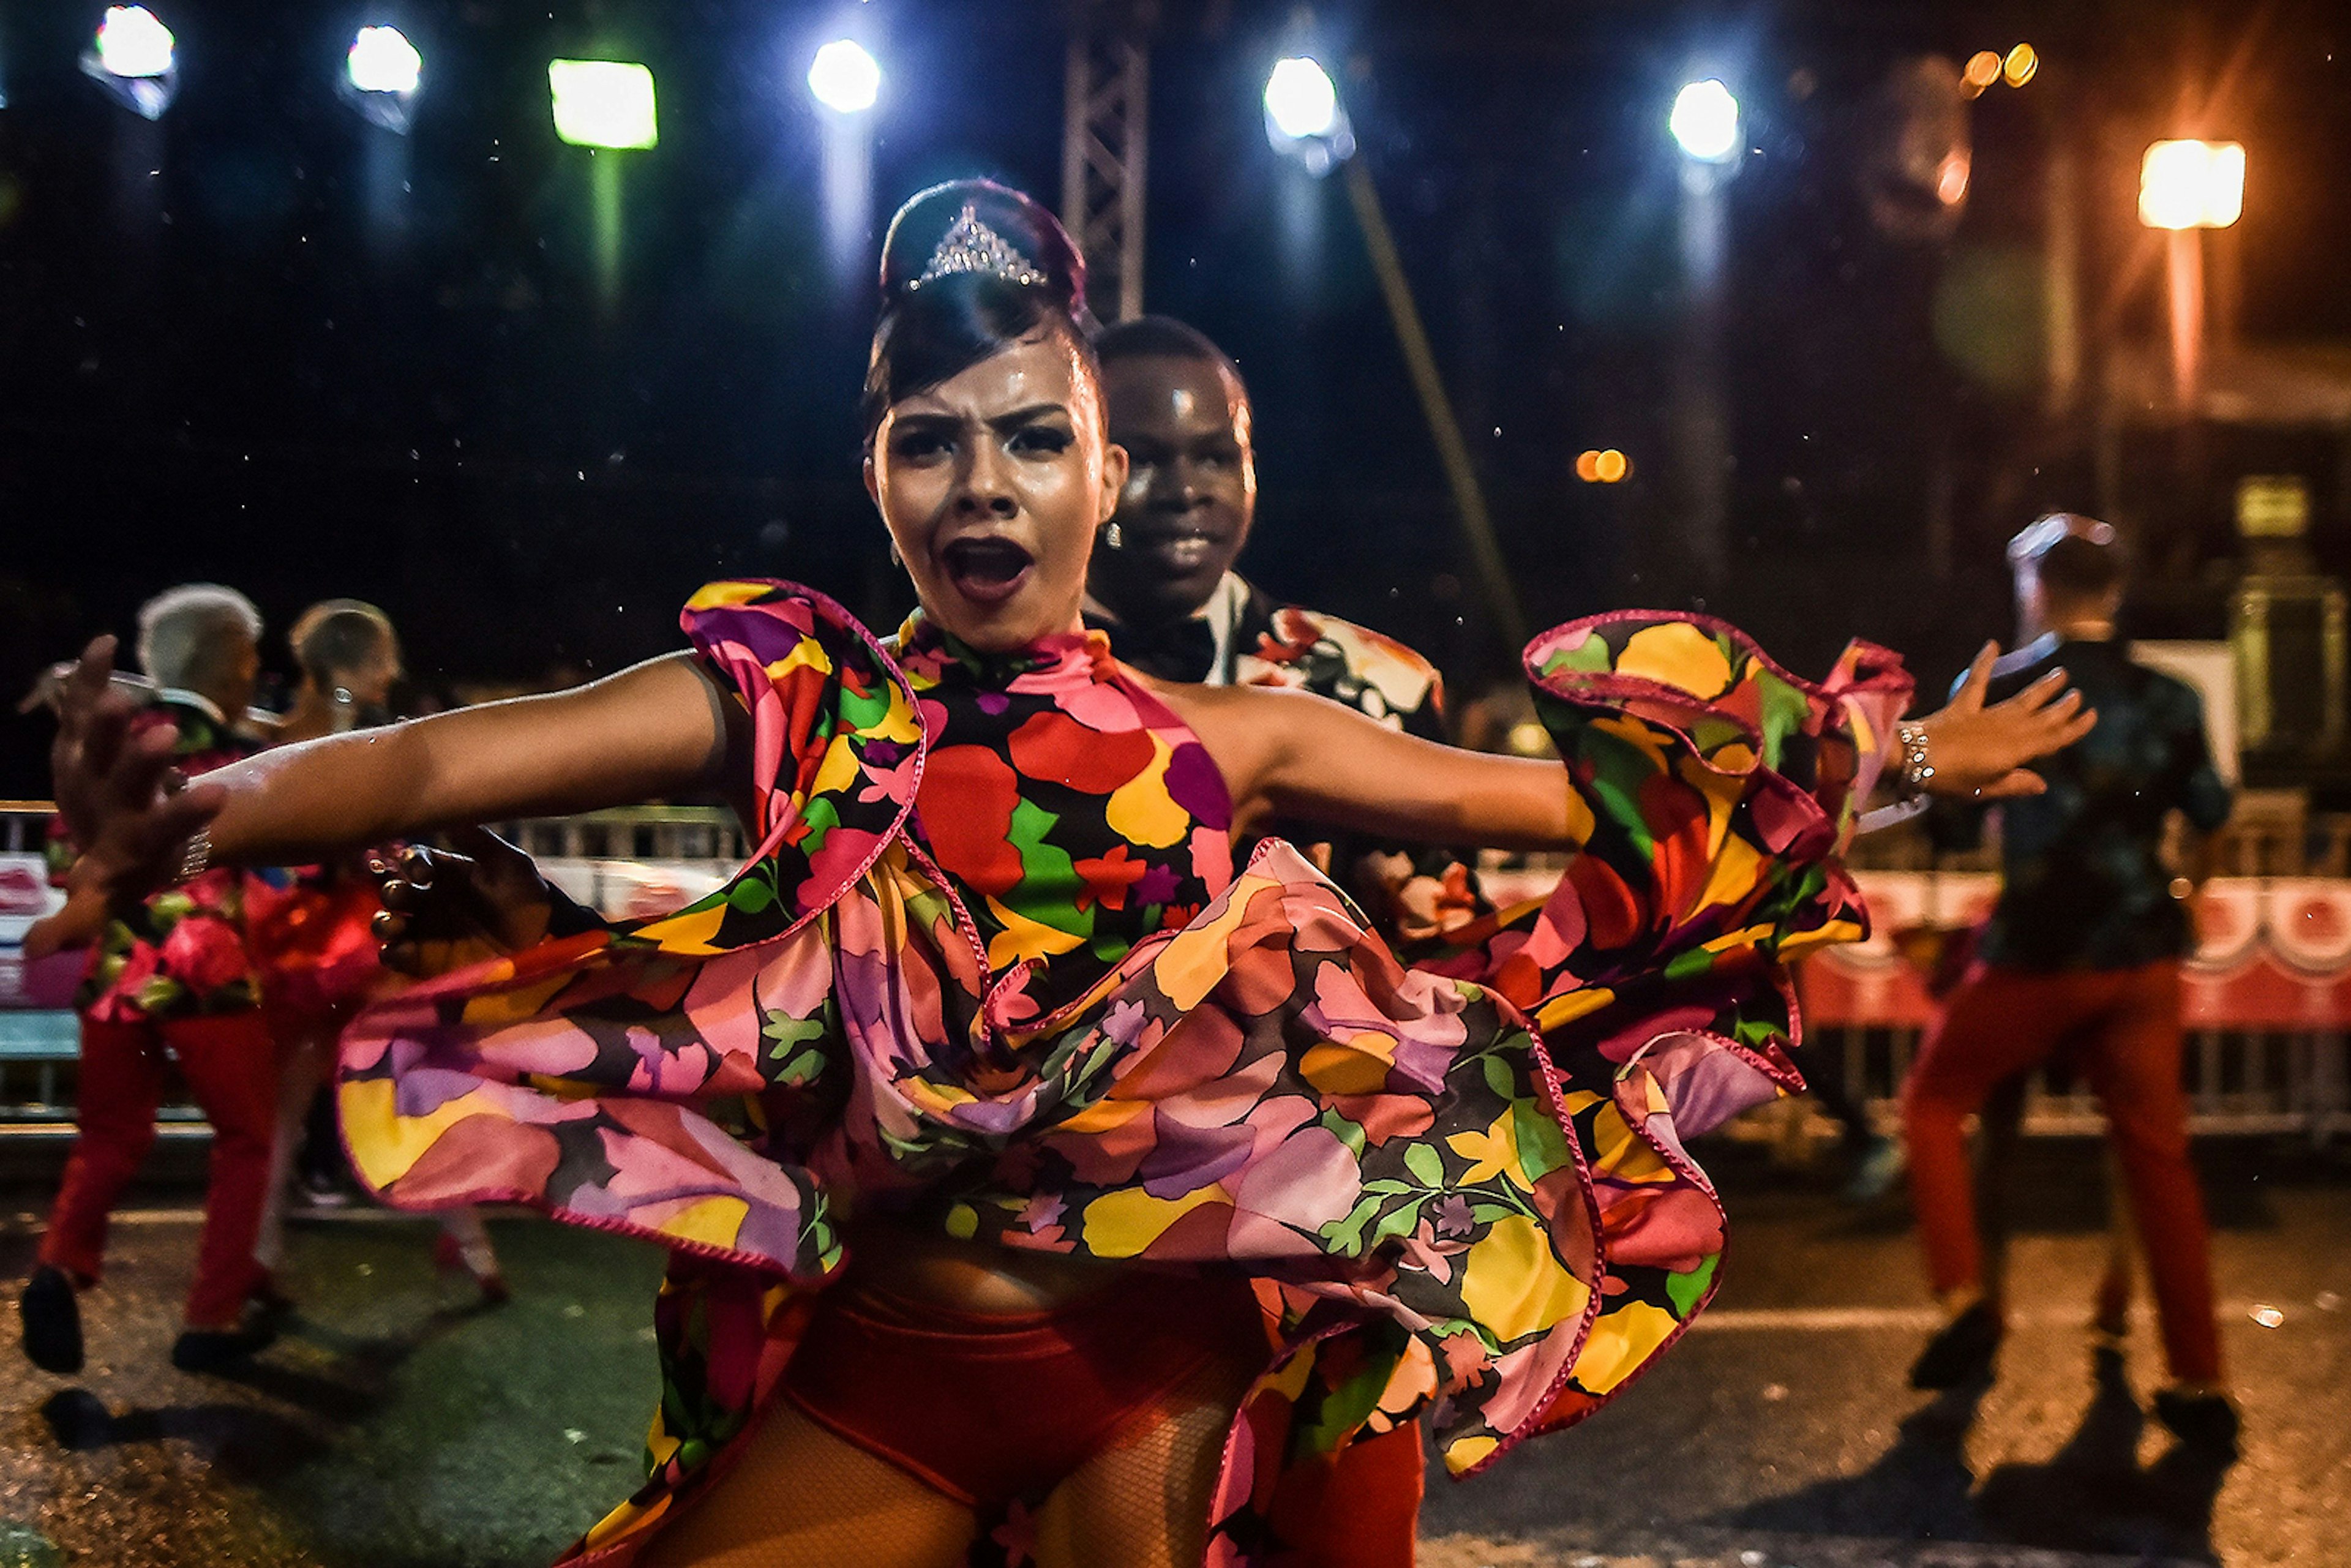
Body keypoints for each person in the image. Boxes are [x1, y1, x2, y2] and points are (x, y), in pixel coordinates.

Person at [46, 182, 2089, 1568]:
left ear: (1101, 472)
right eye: (932, 440)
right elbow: (430, 754)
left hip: (1153, 1383)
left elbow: (1581, 815)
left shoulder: (1248, 733)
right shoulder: (798, 694)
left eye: (1032, 436)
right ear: (875, 475)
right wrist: (199, 807)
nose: (982, 482)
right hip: (896, 1372)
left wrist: (1897, 749)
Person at [1902, 514, 2237, 1449]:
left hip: (2036, 952)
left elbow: (1932, 795)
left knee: (1935, 1103)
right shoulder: (2168, 696)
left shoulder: (2007, 686)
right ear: (2119, 589)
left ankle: (1966, 1292)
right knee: (2157, 1157)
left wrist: (1918, 756)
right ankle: (2201, 1375)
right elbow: (2210, 807)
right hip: (2139, 950)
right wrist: (2185, 887)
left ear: (2035, 590)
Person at [1082, 315, 1481, 943]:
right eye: (1144, 459)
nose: (1186, 491)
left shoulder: (1378, 685)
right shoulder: (991, 682)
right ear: (1081, 472)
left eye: (1216, 456)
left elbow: (1442, 962)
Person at [17, 585, 283, 1374]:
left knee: (109, 1135)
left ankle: (58, 1264)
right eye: (249, 657)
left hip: (115, 977)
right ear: (230, 661)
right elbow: (272, 847)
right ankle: (212, 1315)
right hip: (209, 974)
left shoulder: (105, 750)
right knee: (246, 1141)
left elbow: (70, 861)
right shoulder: (238, 753)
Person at [245, 600, 509, 1304]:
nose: (392, 671)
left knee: (285, 1113)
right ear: (356, 661)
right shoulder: (359, 738)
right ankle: (477, 1251)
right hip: (360, 942)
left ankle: (260, 1254)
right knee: (413, 1089)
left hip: (299, 945)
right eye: (382, 656)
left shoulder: (268, 730)